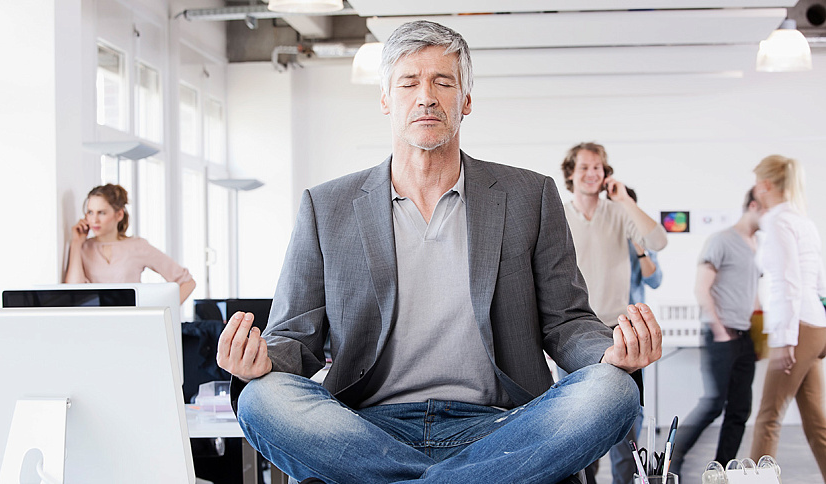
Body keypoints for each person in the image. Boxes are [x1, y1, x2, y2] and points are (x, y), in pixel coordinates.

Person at [216, 20, 663, 484]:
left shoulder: (531, 195)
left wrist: (609, 353)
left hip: (502, 426)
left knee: (613, 389)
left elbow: (567, 321)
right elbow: (294, 335)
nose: (425, 95)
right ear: (386, 99)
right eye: (409, 82)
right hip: (363, 427)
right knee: (259, 399)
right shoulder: (326, 206)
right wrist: (262, 358)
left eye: (442, 82)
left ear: (465, 101)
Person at [560, 144, 668, 484]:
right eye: (585, 167)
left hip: (620, 332)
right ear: (570, 174)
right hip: (571, 333)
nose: (593, 173)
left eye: (599, 168)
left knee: (626, 429)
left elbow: (659, 240)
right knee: (575, 430)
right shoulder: (558, 214)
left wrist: (624, 199)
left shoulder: (619, 213)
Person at [669, 188, 763, 479]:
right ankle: (673, 457)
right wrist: (720, 330)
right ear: (754, 205)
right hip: (722, 335)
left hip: (746, 335)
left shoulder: (756, 244)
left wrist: (759, 335)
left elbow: (753, 294)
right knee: (714, 403)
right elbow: (702, 287)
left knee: (740, 410)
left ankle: (723, 470)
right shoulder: (722, 240)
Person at [750, 155, 826, 479]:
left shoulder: (778, 221)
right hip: (815, 324)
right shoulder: (803, 220)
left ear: (766, 184)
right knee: (816, 421)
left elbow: (786, 283)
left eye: (756, 181)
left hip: (797, 329)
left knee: (768, 417)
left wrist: (782, 340)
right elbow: (820, 281)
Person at [64, 183, 196, 303]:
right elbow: (74, 292)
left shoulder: (137, 246)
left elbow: (187, 282)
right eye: (90, 212)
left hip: (133, 325)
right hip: (94, 325)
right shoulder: (84, 248)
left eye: (101, 213)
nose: (94, 220)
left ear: (119, 215)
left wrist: (161, 313)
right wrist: (76, 243)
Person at [627, 188, 663, 306]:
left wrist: (640, 250)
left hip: (632, 314)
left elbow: (654, 281)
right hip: (599, 315)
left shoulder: (643, 237)